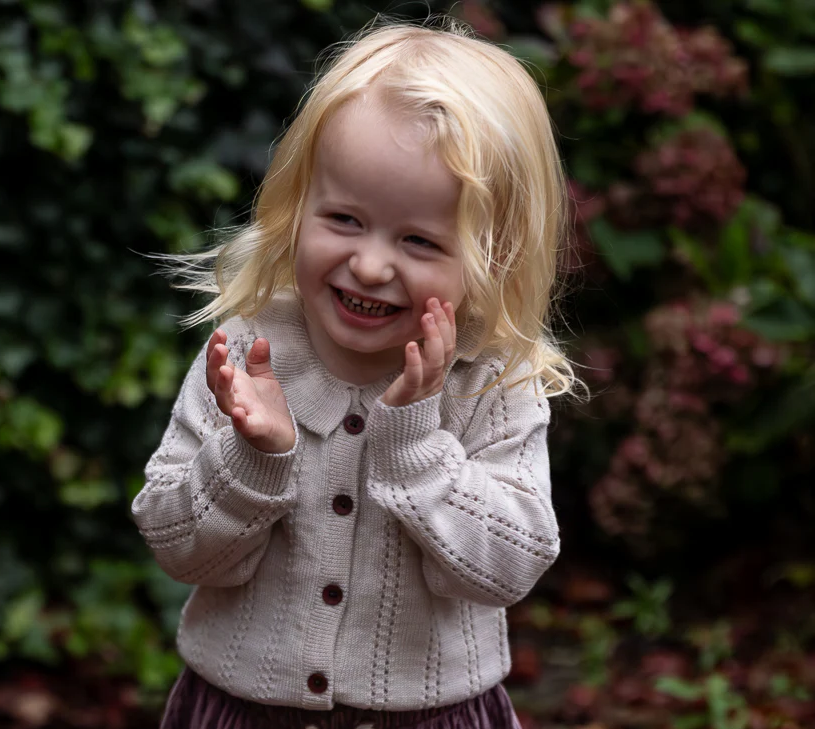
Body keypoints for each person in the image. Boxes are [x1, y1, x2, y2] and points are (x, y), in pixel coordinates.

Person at [132, 17, 582, 729]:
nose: (371, 264)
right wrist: (253, 456)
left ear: (494, 255)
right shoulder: (248, 355)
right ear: (296, 207)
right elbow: (176, 547)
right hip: (241, 710)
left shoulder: (491, 382)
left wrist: (414, 448)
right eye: (343, 218)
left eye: (418, 239)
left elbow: (511, 565)